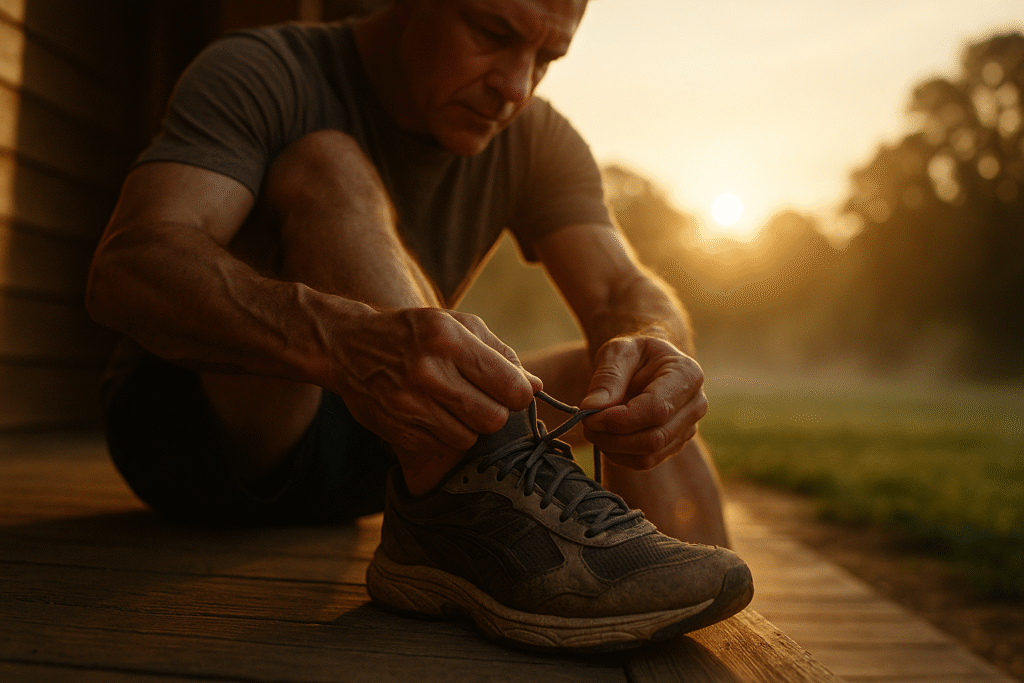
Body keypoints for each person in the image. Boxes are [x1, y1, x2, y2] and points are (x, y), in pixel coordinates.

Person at [85, 0, 752, 651]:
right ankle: (467, 481)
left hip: (388, 437)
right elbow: (129, 267)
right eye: (493, 32)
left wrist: (655, 342)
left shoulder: (539, 138)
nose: (515, 86)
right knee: (324, 158)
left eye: (547, 56)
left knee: (625, 369)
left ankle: (701, 614)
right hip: (201, 439)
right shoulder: (267, 69)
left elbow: (618, 287)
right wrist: (345, 341)